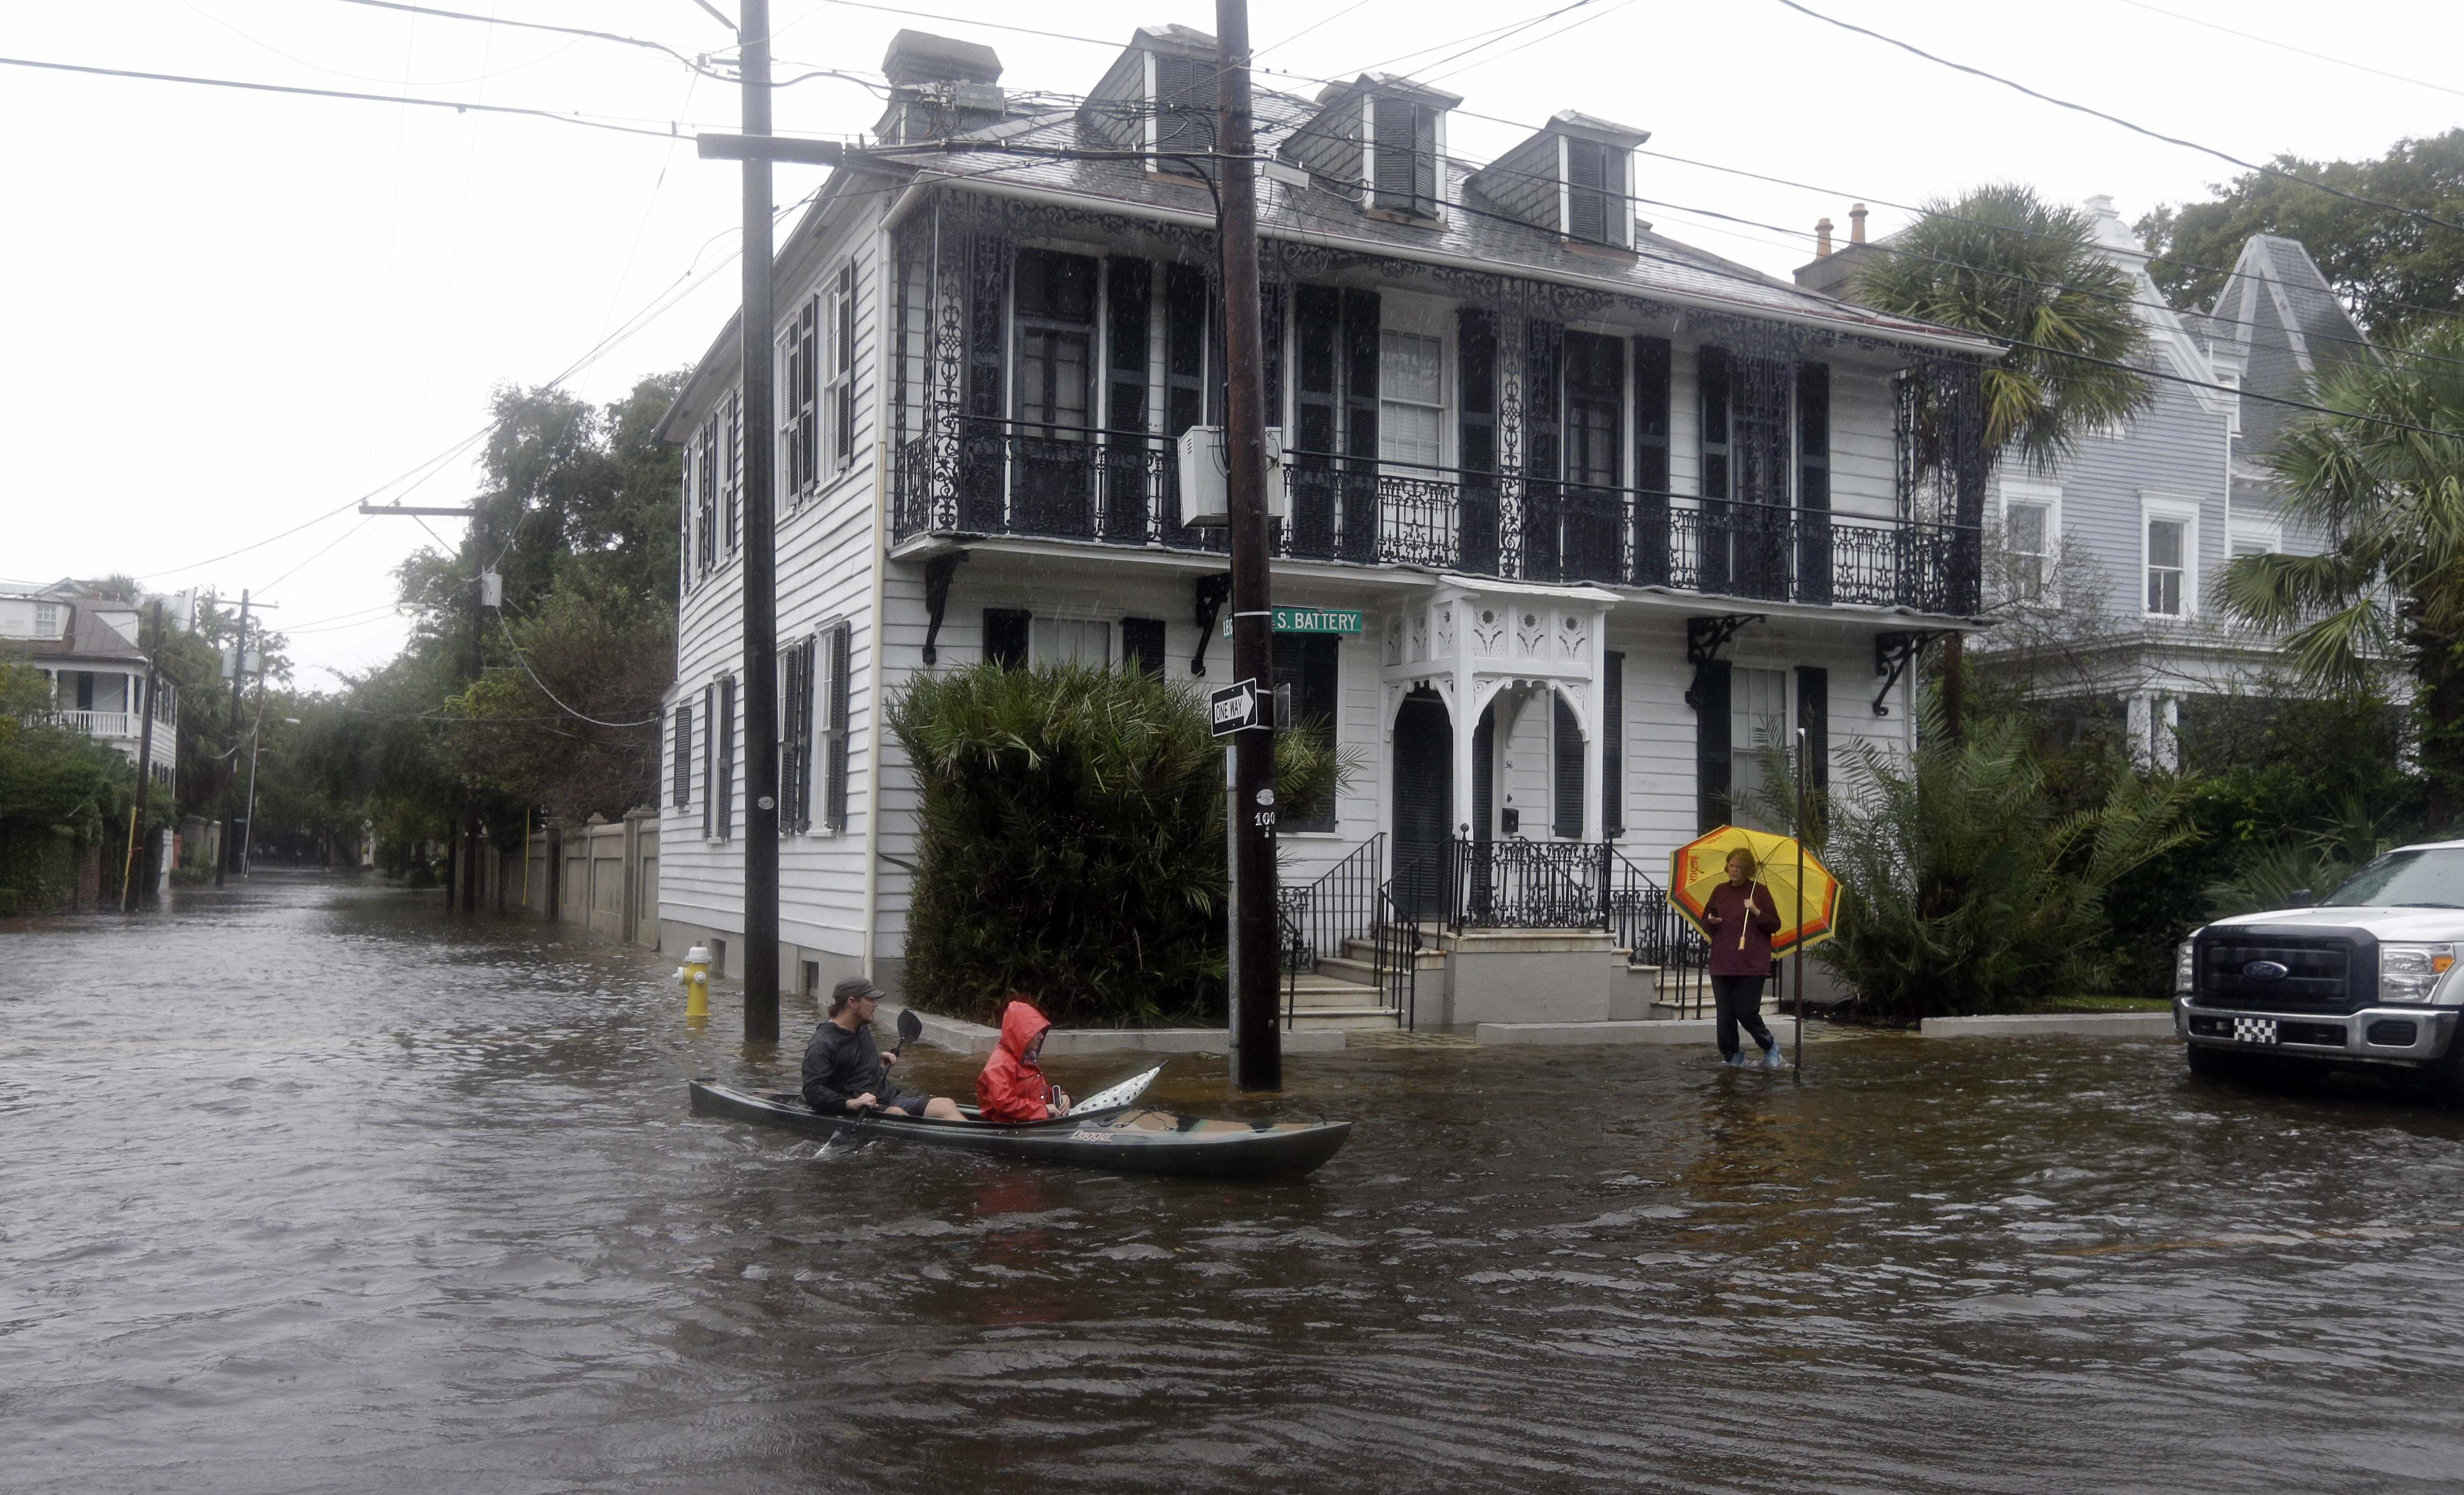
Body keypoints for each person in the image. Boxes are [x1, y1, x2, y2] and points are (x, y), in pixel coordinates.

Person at [800, 977, 965, 1119]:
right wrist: (851, 1103)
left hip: (886, 1097)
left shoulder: (861, 1027)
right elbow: (813, 1091)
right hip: (861, 1108)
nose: (876, 1004)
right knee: (897, 1114)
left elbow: (850, 1063)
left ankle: (972, 1145)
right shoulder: (822, 1044)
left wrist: (875, 1063)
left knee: (946, 1105)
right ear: (852, 1002)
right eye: (870, 999)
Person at [1701, 847, 1788, 1070]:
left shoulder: (1759, 892)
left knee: (1745, 1011)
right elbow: (1706, 921)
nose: (1734, 870)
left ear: (1747, 869)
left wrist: (1757, 911)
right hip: (1722, 963)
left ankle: (1769, 1045)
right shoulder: (1719, 891)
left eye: (1739, 867)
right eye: (1731, 865)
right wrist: (1712, 921)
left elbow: (1774, 924)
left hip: (1751, 964)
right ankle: (1732, 1057)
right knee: (1725, 1017)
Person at [976, 997, 1074, 1123]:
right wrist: (1043, 1110)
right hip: (1011, 1130)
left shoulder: (1026, 1057)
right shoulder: (1000, 1064)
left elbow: (1040, 1091)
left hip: (1031, 1123)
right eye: (1036, 1032)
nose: (1041, 1036)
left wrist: (1064, 1097)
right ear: (1022, 1034)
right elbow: (1004, 1103)